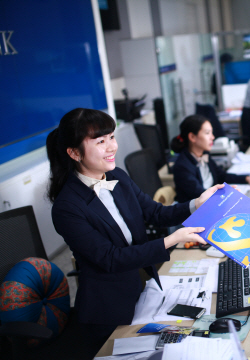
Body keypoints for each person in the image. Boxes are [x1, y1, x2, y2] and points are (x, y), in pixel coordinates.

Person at [46, 108, 220, 355]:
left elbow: (156, 213)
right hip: (108, 309)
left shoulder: (117, 176)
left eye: (111, 137)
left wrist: (196, 204)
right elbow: (110, 258)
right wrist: (170, 240)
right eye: (100, 141)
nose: (111, 147)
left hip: (142, 289)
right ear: (74, 152)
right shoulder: (67, 207)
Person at [172, 114, 250, 203]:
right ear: (192, 137)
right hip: (196, 215)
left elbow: (221, 176)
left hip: (212, 204)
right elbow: (200, 195)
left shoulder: (204, 155)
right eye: (207, 133)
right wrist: (231, 197)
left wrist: (247, 178)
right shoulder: (182, 166)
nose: (213, 137)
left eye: (212, 133)